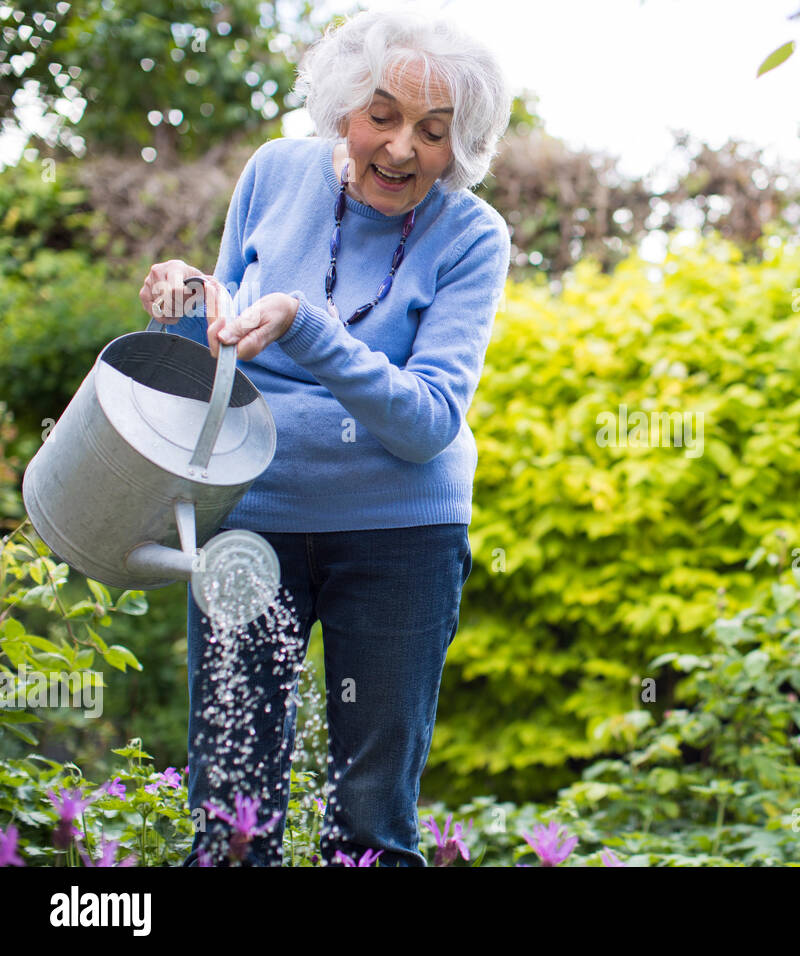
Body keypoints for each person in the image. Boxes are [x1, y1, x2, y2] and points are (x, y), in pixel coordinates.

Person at [137, 9, 512, 866]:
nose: (404, 148)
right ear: (344, 106)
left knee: (371, 825)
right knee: (232, 816)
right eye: (383, 115)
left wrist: (305, 325)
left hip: (399, 535)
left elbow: (426, 422)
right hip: (251, 515)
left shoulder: (472, 237)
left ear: (463, 146)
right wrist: (191, 292)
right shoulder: (274, 171)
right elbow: (226, 333)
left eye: (435, 131)